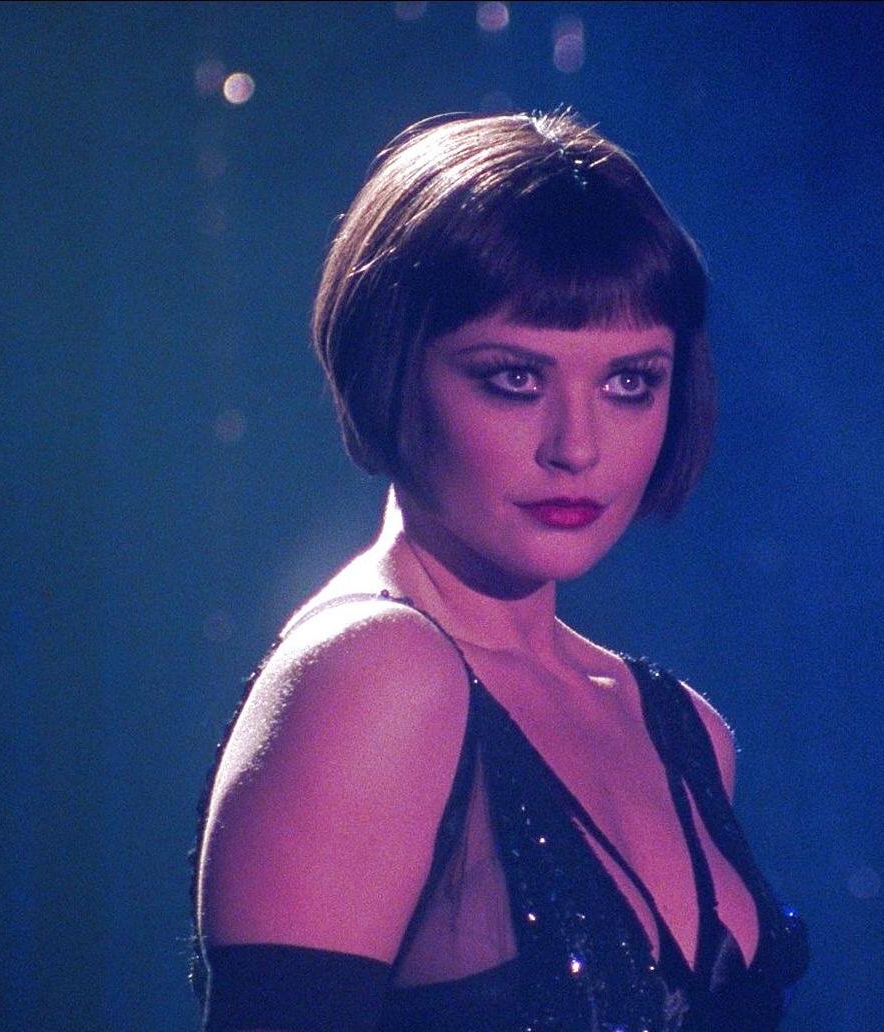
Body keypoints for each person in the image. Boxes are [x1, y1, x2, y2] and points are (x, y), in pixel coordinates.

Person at [191, 109, 810, 1032]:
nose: (578, 447)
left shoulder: (684, 729)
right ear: (390, 366)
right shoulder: (375, 677)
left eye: (630, 382)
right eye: (516, 378)